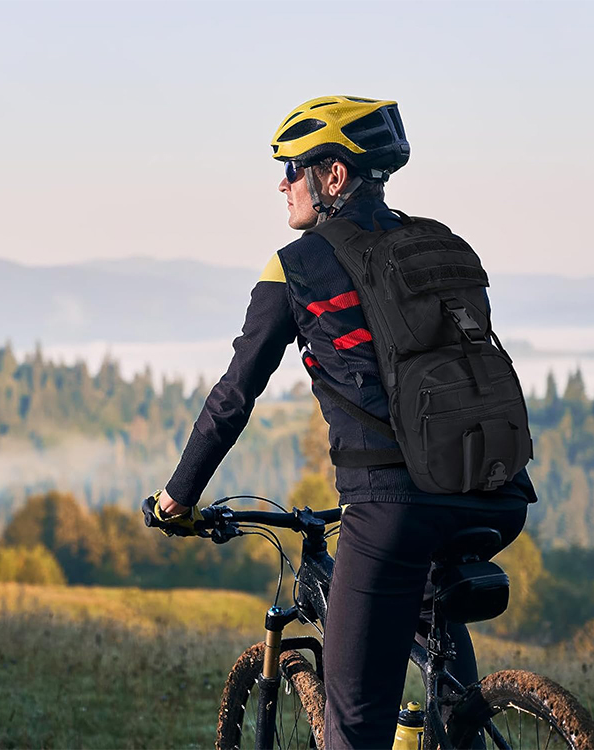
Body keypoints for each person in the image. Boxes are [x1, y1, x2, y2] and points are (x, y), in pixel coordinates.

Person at [153, 95, 538, 749]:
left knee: (354, 726)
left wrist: (177, 498)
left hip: (392, 509)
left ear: (333, 175)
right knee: (433, 639)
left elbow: (234, 395)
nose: (282, 184)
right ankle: (461, 724)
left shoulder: (297, 264)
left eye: (292, 168)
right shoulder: (435, 244)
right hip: (496, 492)